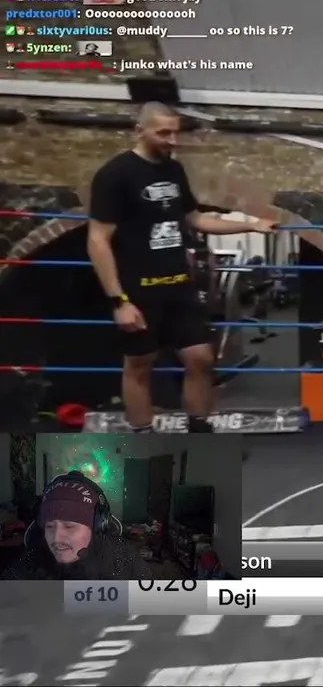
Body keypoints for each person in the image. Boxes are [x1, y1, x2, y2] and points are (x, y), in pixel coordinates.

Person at [86, 102, 277, 433]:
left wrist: (250, 224)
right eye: (163, 133)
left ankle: (199, 432)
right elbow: (97, 239)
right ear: (139, 131)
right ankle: (145, 439)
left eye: (175, 133)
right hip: (137, 290)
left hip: (178, 286)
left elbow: (195, 219)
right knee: (139, 366)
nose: (172, 140)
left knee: (201, 359)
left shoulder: (173, 170)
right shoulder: (115, 174)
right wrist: (119, 301)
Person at [0, 471, 151, 580]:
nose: (56, 538)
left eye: (69, 526)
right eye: (50, 526)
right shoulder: (30, 560)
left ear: (98, 526)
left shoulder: (124, 558)